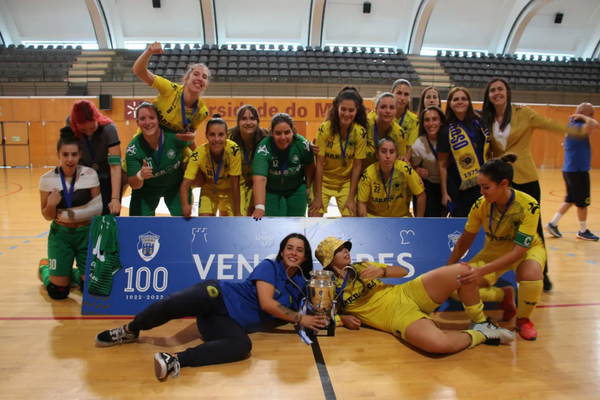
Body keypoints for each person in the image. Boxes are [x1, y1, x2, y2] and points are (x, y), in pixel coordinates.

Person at [95, 233, 325, 381]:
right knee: (173, 302)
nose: (293, 253)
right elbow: (267, 303)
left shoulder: (302, 285)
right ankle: (130, 330)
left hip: (223, 322)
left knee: (242, 346)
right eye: (289, 248)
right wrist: (299, 319)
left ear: (305, 257)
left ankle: (175, 359)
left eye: (299, 250)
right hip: (218, 296)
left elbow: (314, 308)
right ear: (282, 251)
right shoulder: (269, 266)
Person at [480, 77, 597, 291]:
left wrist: (579, 131)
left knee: (534, 229)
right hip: (502, 182)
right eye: (493, 90)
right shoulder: (485, 118)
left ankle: (543, 274)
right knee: (502, 229)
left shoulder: (523, 113)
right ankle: (502, 276)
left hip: (525, 178)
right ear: (488, 95)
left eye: (501, 89)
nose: (497, 93)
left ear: (507, 92)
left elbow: (549, 124)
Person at [315, 236, 514, 354]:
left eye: (344, 248)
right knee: (438, 345)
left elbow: (402, 272)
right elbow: (324, 316)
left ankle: (480, 321)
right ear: (329, 260)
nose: (345, 251)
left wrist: (382, 271)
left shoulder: (362, 266)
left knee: (462, 271)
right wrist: (345, 318)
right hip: (395, 317)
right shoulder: (327, 286)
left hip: (408, 292)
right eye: (338, 250)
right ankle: (481, 334)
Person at [447, 155, 546, 341]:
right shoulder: (480, 205)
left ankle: (523, 320)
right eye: (480, 187)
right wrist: (447, 270)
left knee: (531, 274)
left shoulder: (529, 206)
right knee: (457, 286)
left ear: (504, 184)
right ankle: (504, 295)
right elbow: (463, 242)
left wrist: (482, 270)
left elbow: (518, 252)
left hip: (527, 251)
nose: (482, 192)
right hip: (494, 251)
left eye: (486, 187)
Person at [38, 128, 103, 299]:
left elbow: (98, 208)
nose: (70, 159)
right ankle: (45, 269)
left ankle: (71, 274)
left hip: (86, 233)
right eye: (65, 154)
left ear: (80, 154)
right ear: (58, 154)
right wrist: (51, 205)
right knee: (58, 292)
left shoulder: (90, 175)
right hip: (61, 234)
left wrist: (66, 213)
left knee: (90, 289)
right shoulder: (47, 179)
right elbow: (47, 215)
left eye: (74, 154)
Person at [132, 41, 210, 153]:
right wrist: (148, 52)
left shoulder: (202, 111)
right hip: (148, 139)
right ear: (186, 79)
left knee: (191, 161)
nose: (200, 78)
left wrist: (193, 135)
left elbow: (192, 130)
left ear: (205, 86)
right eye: (196, 74)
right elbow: (138, 71)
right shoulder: (169, 89)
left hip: (172, 146)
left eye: (204, 77)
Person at [309, 87, 368, 217]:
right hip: (323, 181)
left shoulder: (360, 132)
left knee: (351, 223)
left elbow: (357, 166)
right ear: (337, 108)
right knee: (313, 219)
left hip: (346, 183)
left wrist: (351, 197)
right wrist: (318, 196)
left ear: (357, 110)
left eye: (351, 110)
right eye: (343, 109)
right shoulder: (325, 129)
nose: (347, 114)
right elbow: (319, 164)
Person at [125, 102, 191, 216]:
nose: (147, 122)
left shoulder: (174, 136)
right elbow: (134, 185)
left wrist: (192, 159)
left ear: (158, 120)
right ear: (137, 123)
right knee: (139, 226)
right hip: (147, 189)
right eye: (142, 118)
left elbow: (190, 140)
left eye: (151, 117)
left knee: (183, 224)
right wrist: (140, 175)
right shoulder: (133, 150)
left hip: (175, 187)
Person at [546, 103, 598, 241]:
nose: (592, 117)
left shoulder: (573, 126)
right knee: (582, 203)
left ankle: (553, 223)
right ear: (581, 112)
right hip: (577, 171)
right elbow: (595, 124)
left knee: (571, 199)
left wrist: (583, 117)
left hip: (571, 170)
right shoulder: (576, 127)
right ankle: (583, 230)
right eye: (590, 114)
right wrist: (583, 116)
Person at [437, 87, 492, 217]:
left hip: (483, 181)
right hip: (459, 184)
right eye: (456, 99)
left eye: (464, 99)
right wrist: (444, 193)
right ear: (450, 103)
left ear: (469, 102)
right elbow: (442, 164)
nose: (460, 102)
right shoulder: (445, 129)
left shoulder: (480, 122)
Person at [252, 113, 316, 219]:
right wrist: (259, 206)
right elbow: (260, 179)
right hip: (271, 189)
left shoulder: (302, 143)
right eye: (278, 133)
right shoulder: (264, 147)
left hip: (297, 188)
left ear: (293, 131)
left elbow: (309, 167)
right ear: (272, 133)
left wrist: (309, 188)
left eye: (287, 132)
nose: (283, 137)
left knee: (296, 223)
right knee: (273, 223)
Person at [180, 114, 242, 217]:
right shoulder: (198, 154)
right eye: (212, 134)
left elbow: (235, 184)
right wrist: (185, 205)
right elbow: (185, 185)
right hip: (210, 188)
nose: (216, 139)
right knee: (205, 223)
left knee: (237, 222)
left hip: (230, 189)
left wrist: (237, 212)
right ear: (206, 135)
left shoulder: (233, 150)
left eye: (221, 134)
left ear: (226, 136)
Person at [68, 100, 122, 215]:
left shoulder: (109, 129)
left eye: (92, 128)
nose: (88, 133)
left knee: (109, 216)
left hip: (106, 175)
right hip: (83, 176)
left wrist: (115, 199)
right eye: (82, 130)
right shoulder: (69, 127)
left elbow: (115, 167)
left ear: (97, 119)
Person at [218, 105, 269, 216]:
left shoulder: (265, 137)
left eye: (252, 118)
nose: (248, 122)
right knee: (225, 219)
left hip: (253, 185)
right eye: (244, 118)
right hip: (231, 184)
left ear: (258, 121)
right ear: (238, 122)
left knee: (249, 219)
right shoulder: (229, 137)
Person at [358, 137, 425, 218]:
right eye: (383, 151)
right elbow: (362, 203)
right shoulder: (368, 173)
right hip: (374, 217)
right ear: (377, 155)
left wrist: (419, 221)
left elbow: (421, 195)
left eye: (392, 152)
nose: (388, 156)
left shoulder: (405, 169)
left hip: (401, 217)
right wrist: (365, 224)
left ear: (396, 155)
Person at [411, 106, 445, 217]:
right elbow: (412, 167)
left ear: (441, 121)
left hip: (449, 183)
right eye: (427, 120)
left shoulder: (450, 139)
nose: (431, 123)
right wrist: (417, 170)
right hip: (429, 184)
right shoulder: (418, 145)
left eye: (434, 119)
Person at [364, 92, 407, 169]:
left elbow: (400, 160)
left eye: (391, 107)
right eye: (383, 107)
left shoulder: (400, 133)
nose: (388, 111)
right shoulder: (365, 125)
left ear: (395, 111)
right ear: (376, 110)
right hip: (363, 174)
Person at [391, 79, 419, 160]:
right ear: (391, 93)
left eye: (406, 94)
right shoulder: (383, 115)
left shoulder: (414, 120)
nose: (402, 98)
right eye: (399, 93)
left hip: (401, 161)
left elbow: (410, 147)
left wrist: (405, 158)